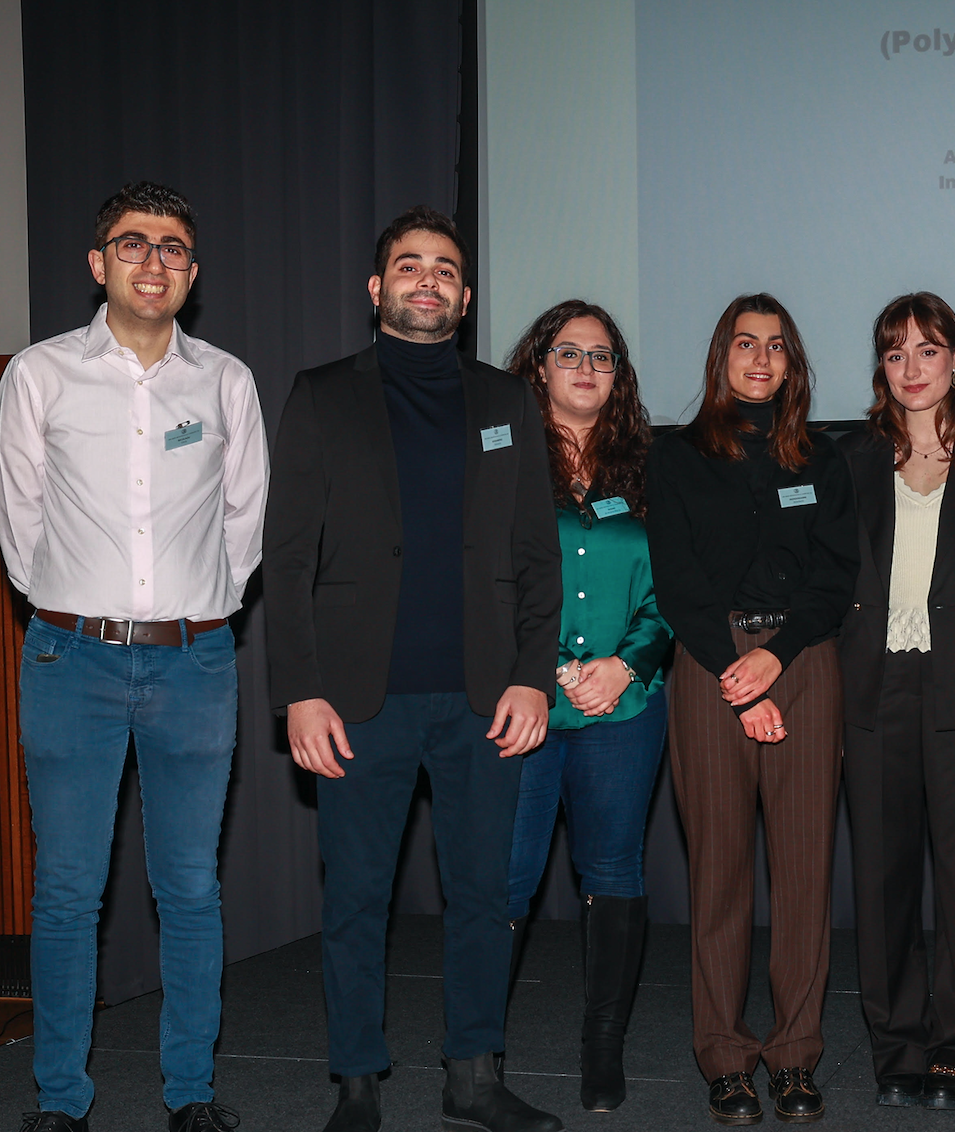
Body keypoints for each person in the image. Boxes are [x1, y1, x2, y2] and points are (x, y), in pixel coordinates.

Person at [262, 206, 564, 1132]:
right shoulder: (320, 394)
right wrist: (300, 692)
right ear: (376, 288)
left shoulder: (508, 403)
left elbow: (535, 554)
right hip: (359, 701)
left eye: (443, 269)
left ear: (465, 298)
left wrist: (531, 676)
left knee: (483, 895)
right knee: (357, 898)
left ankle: (474, 1075)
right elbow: (288, 558)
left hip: (484, 698)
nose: (426, 280)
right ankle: (357, 1081)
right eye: (408, 265)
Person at [0, 182, 269, 1132]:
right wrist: (82, 614)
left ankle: (190, 1095)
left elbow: (246, 524)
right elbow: (20, 526)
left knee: (190, 889)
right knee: (70, 893)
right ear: (97, 263)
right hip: (70, 661)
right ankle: (61, 1102)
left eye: (171, 248)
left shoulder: (226, 382)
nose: (152, 261)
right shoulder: (38, 376)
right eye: (132, 244)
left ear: (192, 275)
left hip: (195, 666)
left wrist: (201, 617)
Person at [646, 293, 859, 1125]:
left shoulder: (824, 459)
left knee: (804, 875)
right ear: (720, 357)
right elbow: (678, 581)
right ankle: (727, 1056)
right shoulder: (677, 456)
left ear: (793, 363)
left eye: (777, 346)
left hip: (804, 661)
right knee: (721, 874)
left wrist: (775, 657)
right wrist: (739, 672)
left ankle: (796, 1054)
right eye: (746, 343)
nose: (761, 358)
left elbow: (836, 575)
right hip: (710, 667)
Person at [837, 293, 955, 1111]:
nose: (911, 369)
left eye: (927, 351)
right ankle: (898, 1043)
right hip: (876, 682)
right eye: (895, 353)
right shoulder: (853, 459)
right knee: (882, 876)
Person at [503, 300, 672, 1113]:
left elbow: (680, 590)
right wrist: (535, 669)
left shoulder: (651, 468)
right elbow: (477, 583)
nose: (584, 368)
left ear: (619, 375)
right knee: (506, 882)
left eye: (601, 357)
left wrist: (625, 663)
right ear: (538, 366)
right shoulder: (496, 458)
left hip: (624, 709)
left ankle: (603, 1053)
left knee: (613, 874)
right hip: (521, 706)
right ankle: (479, 1055)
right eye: (567, 353)